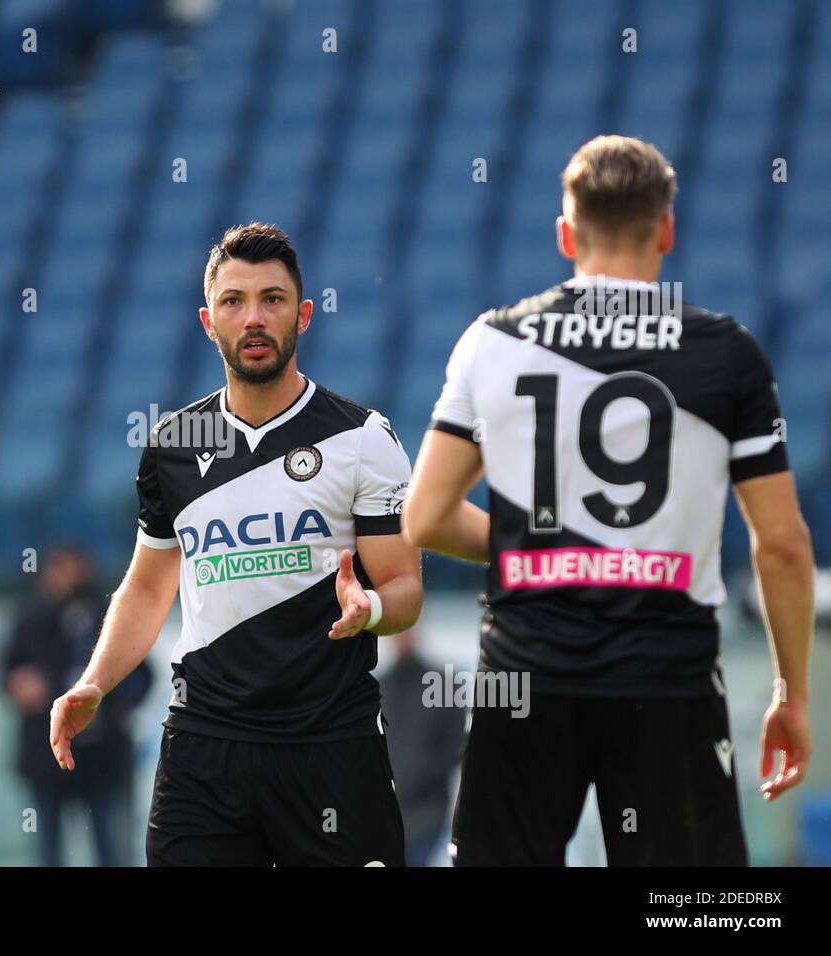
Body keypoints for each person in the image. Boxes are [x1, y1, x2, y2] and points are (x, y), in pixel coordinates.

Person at [404, 134, 814, 866]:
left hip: (522, 680)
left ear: (566, 234)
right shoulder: (726, 353)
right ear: (667, 229)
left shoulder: (490, 342)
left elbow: (425, 517)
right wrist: (791, 692)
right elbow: (782, 546)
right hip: (666, 683)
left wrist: (539, 548)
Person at [50, 222, 423, 866]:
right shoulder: (171, 445)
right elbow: (147, 586)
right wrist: (95, 681)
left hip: (331, 744)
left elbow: (404, 585)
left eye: (273, 299)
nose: (254, 317)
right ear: (207, 320)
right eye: (234, 300)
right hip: (205, 748)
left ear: (303, 315)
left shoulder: (363, 439)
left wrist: (375, 612)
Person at [4, 546, 151, 866]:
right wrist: (19, 684)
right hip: (46, 755)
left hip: (103, 756)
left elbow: (142, 674)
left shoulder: (109, 615)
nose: (68, 578)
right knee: (49, 849)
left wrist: (122, 701)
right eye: (60, 569)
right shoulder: (31, 617)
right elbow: (8, 672)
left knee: (109, 844)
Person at [378, 629, 463, 866]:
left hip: (427, 813)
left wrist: (416, 773)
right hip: (388, 815)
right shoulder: (379, 688)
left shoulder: (443, 684)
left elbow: (455, 747)